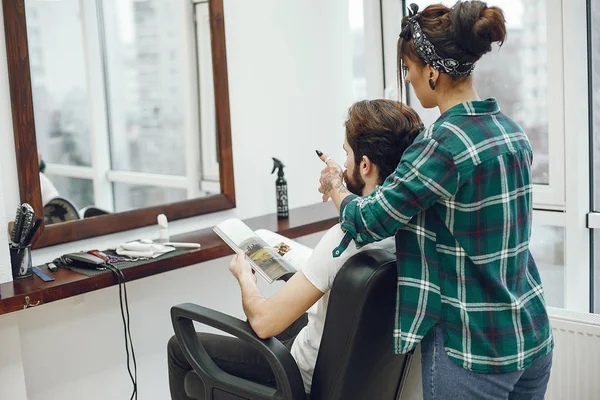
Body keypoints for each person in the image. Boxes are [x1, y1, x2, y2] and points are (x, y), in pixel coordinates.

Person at [317, 2, 553, 399]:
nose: (408, 80)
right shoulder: (511, 132)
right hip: (531, 335)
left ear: (432, 71)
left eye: (408, 70)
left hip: (476, 351)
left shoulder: (441, 146)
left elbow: (368, 220)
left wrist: (336, 187)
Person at [167, 99, 424, 398]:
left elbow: (263, 322)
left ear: (365, 165)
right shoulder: (414, 228)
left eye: (347, 154)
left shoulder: (343, 239)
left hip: (298, 376)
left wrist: (245, 278)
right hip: (368, 381)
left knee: (178, 347)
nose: (342, 165)